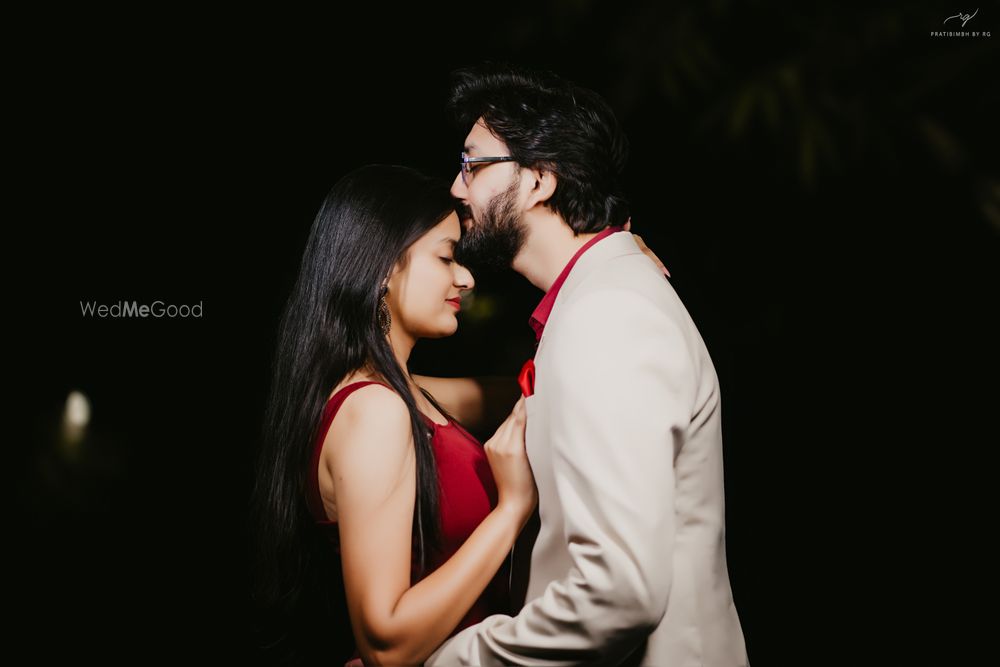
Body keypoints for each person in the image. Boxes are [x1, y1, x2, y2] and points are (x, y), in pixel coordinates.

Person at [422, 64, 750, 666]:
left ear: (539, 180)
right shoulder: (598, 296)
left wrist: (451, 662)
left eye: (473, 165)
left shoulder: (608, 313)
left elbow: (618, 593)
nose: (457, 188)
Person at [251, 164, 537, 666]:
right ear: (382, 266)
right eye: (446, 257)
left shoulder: (396, 393)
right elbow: (386, 645)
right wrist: (511, 511)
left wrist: (606, 268)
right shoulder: (375, 411)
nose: (466, 277)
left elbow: (525, 393)